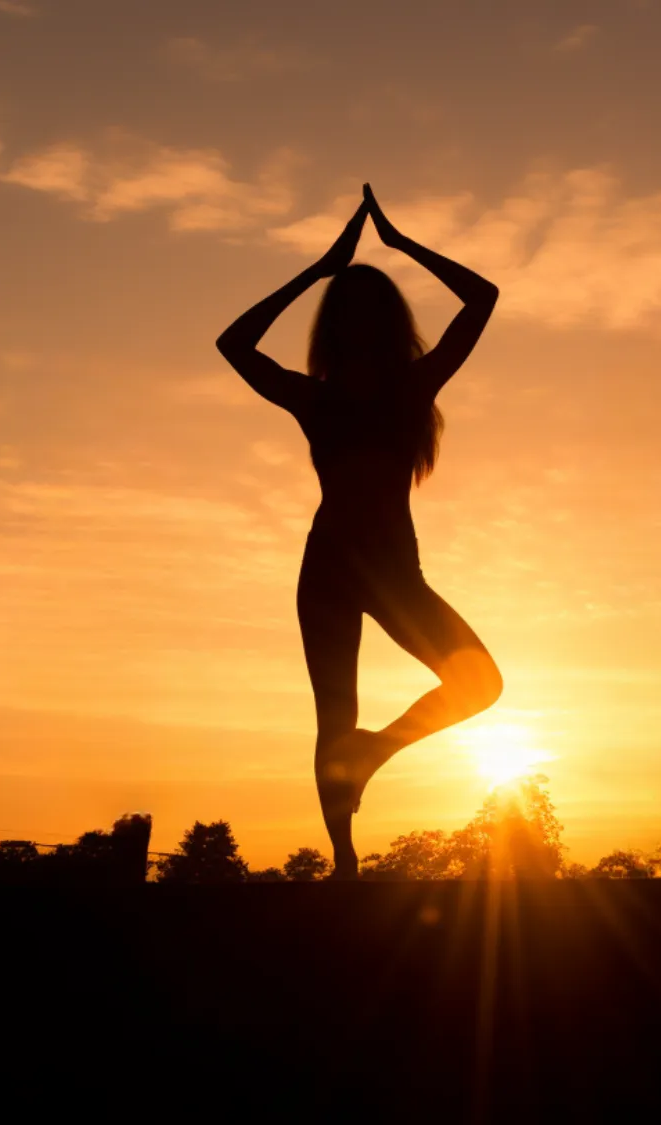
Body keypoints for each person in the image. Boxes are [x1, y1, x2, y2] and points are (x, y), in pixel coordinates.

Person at [218, 186, 503, 878]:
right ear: (340, 328)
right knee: (333, 715)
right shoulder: (318, 396)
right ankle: (345, 861)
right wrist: (320, 269)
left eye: (372, 311)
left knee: (480, 684)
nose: (363, 325)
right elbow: (233, 343)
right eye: (350, 313)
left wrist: (401, 245)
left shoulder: (412, 386)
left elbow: (482, 298)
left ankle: (377, 752)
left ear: (386, 321)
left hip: (391, 570)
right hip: (334, 568)